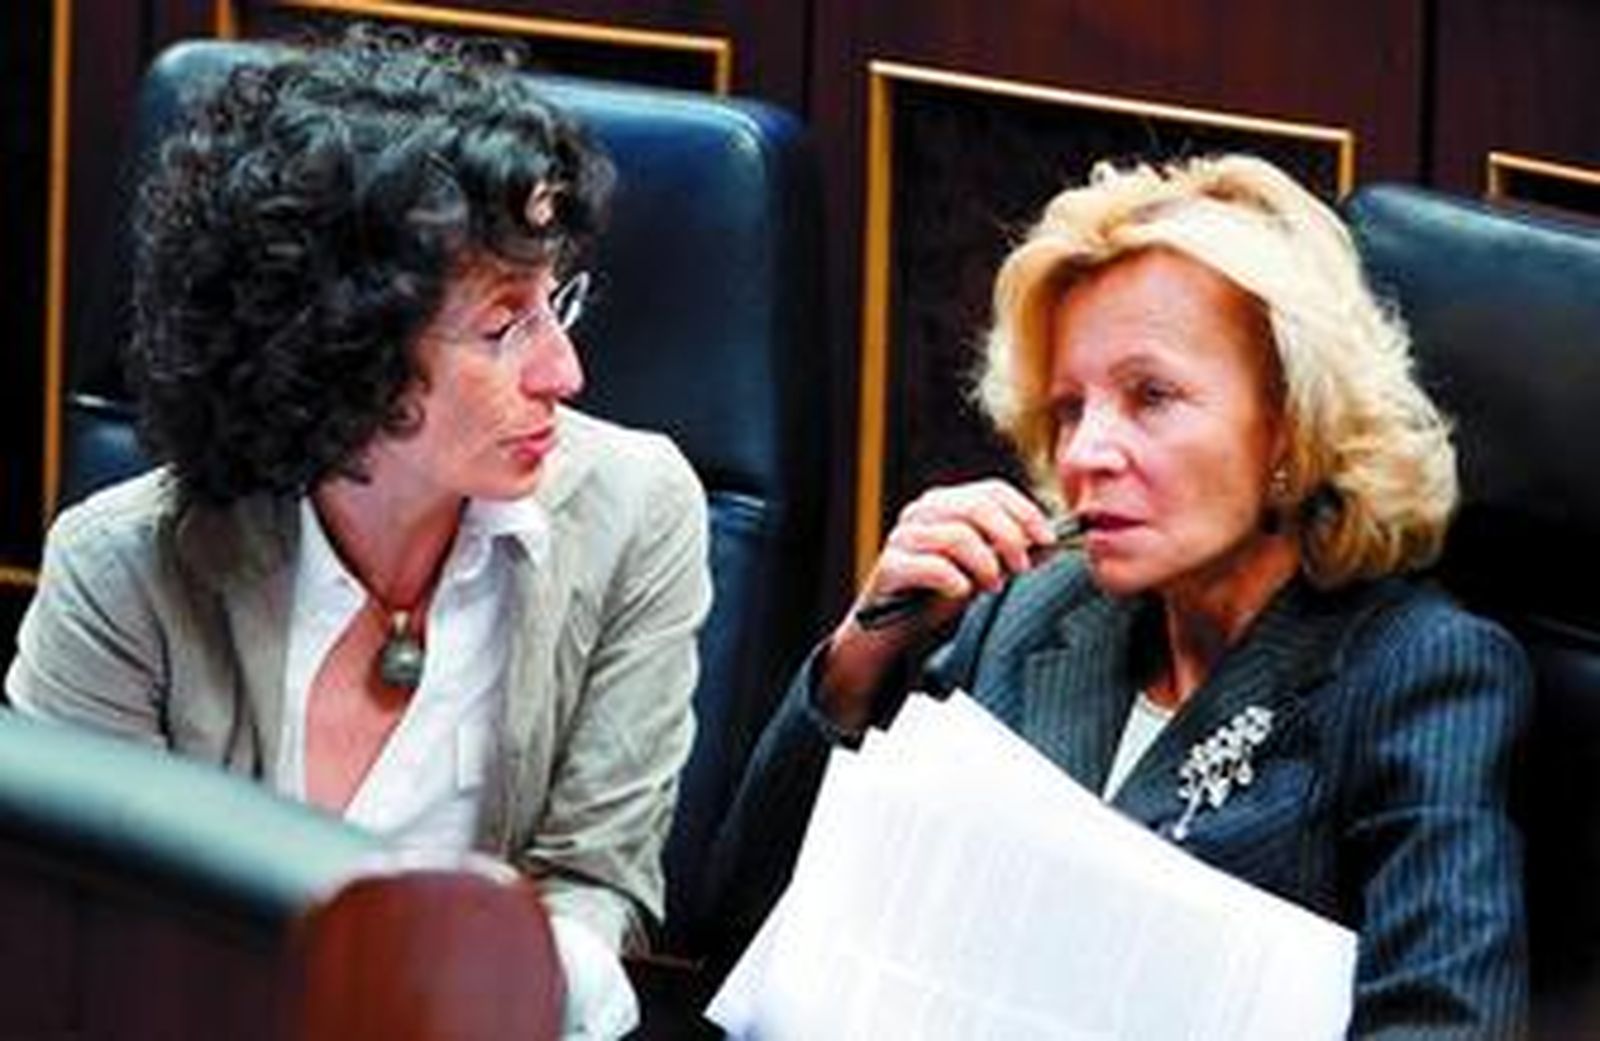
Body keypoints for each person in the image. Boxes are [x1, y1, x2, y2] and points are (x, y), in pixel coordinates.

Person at [706, 154, 1530, 1037]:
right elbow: (747, 941)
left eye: (1152, 396)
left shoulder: (1420, 672)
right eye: (1069, 408)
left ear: (1294, 427)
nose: (1086, 451)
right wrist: (858, 660)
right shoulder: (1030, 613)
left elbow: (1450, 1026)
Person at [5, 27, 710, 1039]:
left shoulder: (639, 510)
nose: (565, 371)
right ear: (341, 347)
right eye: (503, 325)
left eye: (557, 300)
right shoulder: (123, 569)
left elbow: (595, 881)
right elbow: (78, 942)